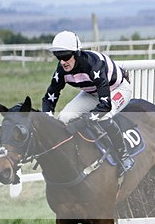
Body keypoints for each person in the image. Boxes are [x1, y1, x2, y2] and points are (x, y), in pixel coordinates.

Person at [43, 30, 134, 175]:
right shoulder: (61, 70)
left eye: (65, 56)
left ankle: (123, 155)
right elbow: (50, 97)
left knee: (104, 116)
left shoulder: (94, 65)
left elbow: (105, 106)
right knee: (64, 118)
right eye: (58, 57)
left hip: (117, 89)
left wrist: (80, 123)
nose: (62, 62)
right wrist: (47, 119)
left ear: (77, 53)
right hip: (92, 93)